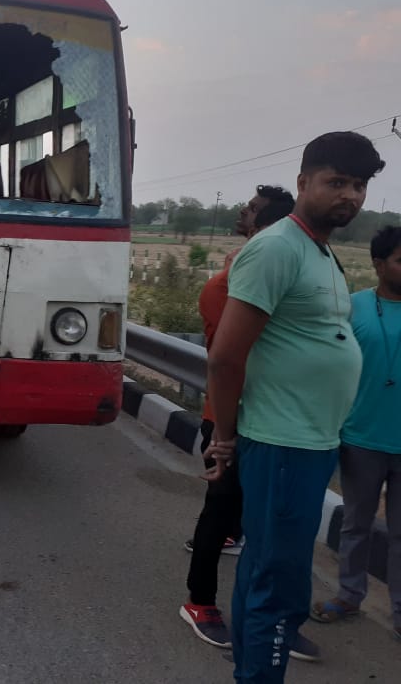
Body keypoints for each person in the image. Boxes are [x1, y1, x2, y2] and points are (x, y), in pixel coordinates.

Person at [205, 131, 385, 682]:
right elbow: (225, 358)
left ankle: (250, 669)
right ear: (304, 182)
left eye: (359, 185)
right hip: (283, 442)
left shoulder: (319, 249)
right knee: (280, 587)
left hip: (307, 441)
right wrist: (226, 438)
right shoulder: (277, 248)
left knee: (266, 571)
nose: (350, 195)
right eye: (337, 181)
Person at [180, 186, 296, 650]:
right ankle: (200, 601)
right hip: (229, 412)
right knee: (221, 503)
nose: (241, 213)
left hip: (272, 412)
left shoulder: (267, 268)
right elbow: (230, 354)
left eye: (250, 209)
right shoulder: (228, 281)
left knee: (256, 513)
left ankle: (269, 612)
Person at [310, 225, 401, 643]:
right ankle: (349, 595)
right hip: (361, 438)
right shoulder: (354, 306)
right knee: (356, 525)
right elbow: (330, 363)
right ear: (379, 264)